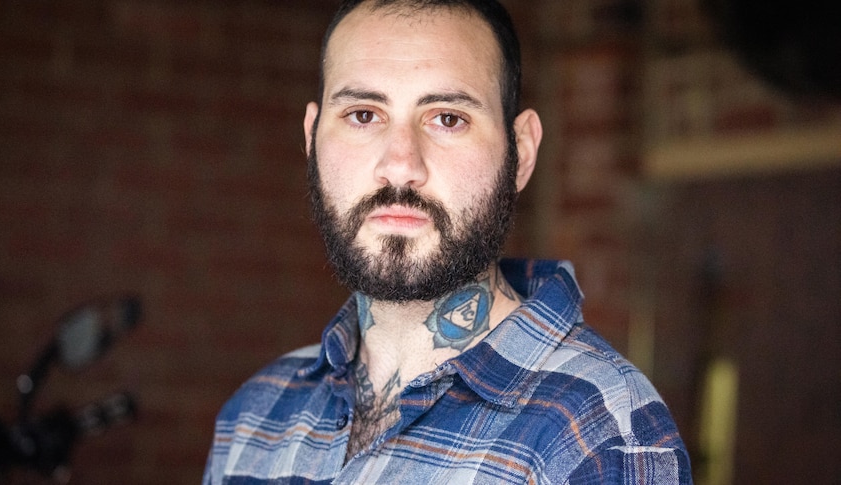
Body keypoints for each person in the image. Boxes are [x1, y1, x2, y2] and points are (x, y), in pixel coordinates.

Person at [203, 0, 692, 483]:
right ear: (311, 139)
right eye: (363, 115)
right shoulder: (254, 416)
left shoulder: (597, 438)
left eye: (448, 118)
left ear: (520, 153)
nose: (399, 165)